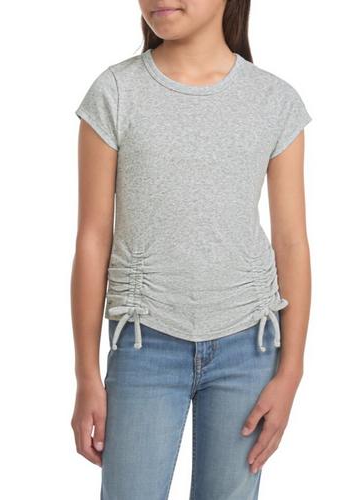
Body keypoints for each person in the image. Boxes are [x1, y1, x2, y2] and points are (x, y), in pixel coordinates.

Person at [70, 1, 312, 498]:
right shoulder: (116, 92)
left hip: (249, 346)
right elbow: (93, 237)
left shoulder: (273, 100)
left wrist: (291, 372)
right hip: (144, 344)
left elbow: (291, 242)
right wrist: (86, 374)